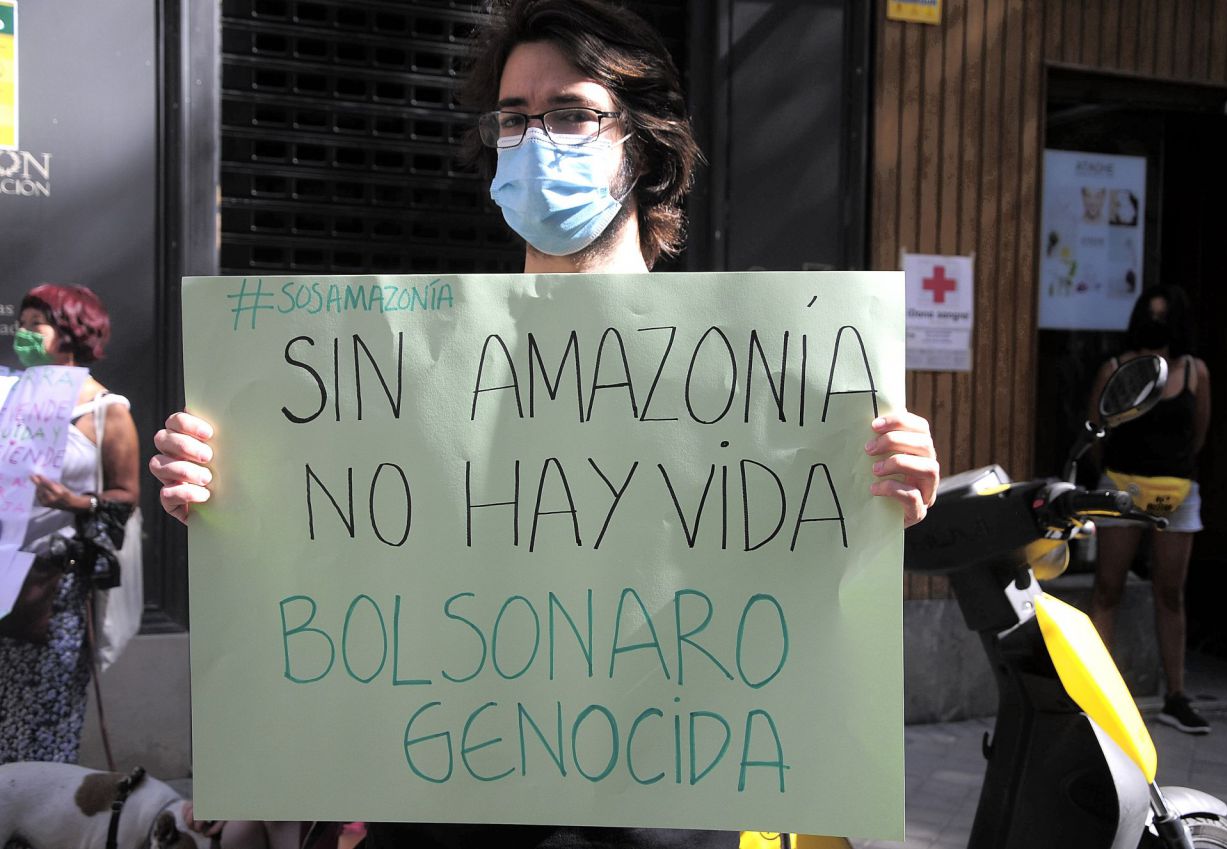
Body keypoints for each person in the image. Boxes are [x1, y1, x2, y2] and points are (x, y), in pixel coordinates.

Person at [151, 0, 940, 845]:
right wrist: (230, 493)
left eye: (571, 114)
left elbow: (804, 584)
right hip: (443, 815)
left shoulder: (752, 373)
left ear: (643, 143)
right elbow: (338, 557)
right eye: (515, 118)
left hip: (664, 814)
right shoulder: (405, 363)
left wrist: (882, 487)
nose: (537, 140)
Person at [0, 284, 141, 764]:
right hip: (3, 569)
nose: (22, 334)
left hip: (53, 587)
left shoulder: (106, 411)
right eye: (20, 323)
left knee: (42, 712)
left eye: (34, 324)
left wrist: (72, 500)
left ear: (71, 332)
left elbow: (126, 497)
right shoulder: (10, 395)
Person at [1088, 284, 1211, 734]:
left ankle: (1175, 696)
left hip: (1177, 494)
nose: (1156, 323)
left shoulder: (1195, 372)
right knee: (1107, 589)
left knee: (1171, 593)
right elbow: (1097, 433)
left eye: (1165, 315)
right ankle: (1098, 695)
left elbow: (1198, 436)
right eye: (1149, 314)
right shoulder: (1115, 369)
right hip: (1121, 487)